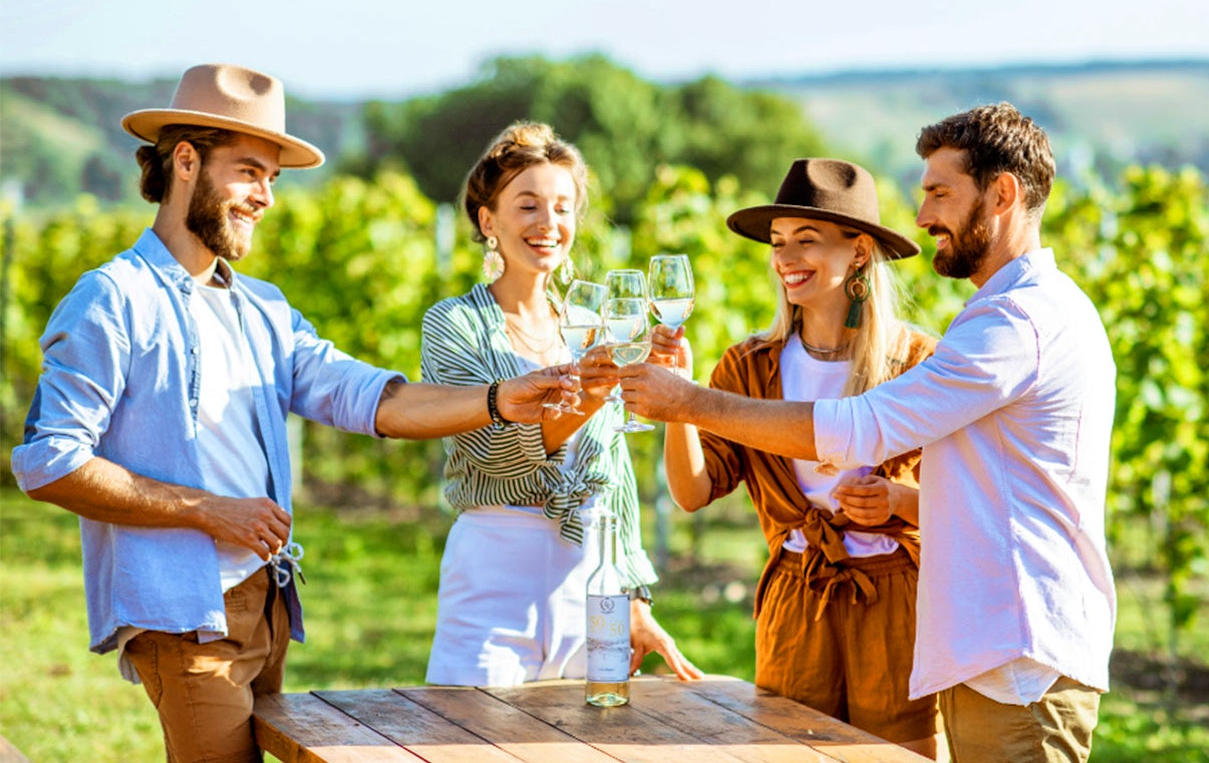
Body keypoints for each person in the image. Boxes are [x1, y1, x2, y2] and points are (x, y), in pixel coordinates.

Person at [10, 63, 577, 763]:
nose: (266, 197)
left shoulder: (264, 308)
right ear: (185, 161)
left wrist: (498, 400)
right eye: (250, 172)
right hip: (187, 614)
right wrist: (209, 511)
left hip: (266, 604)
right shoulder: (113, 300)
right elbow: (48, 464)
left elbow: (369, 395)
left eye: (273, 179)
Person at [619, 103, 1116, 763]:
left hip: (1007, 644)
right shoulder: (1000, 316)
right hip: (976, 642)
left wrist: (690, 401)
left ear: (1002, 194)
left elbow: (861, 429)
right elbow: (976, 487)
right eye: (778, 242)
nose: (922, 215)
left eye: (940, 192)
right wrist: (690, 403)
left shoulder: (1005, 327)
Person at [637, 158, 941, 756]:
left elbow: (968, 500)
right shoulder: (749, 367)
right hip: (797, 603)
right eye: (778, 243)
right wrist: (683, 400)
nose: (786, 258)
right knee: (789, 750)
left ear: (858, 252)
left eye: (807, 240)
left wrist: (898, 501)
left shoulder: (919, 363)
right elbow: (692, 493)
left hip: (897, 604)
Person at [420, 121, 701, 687]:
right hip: (494, 577)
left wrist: (634, 595)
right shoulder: (453, 325)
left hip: (590, 586)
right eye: (528, 206)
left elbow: (614, 477)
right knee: (468, 745)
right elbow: (493, 451)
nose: (549, 224)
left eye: (563, 208)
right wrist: (592, 397)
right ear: (487, 221)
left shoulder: (595, 329)